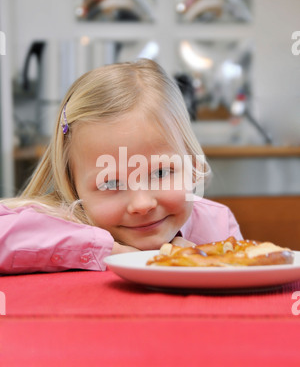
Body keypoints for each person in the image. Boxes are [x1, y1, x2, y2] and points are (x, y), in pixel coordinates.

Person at [0, 59, 242, 275]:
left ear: (191, 167)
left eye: (160, 173)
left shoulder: (217, 224)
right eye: (111, 183)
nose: (142, 204)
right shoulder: (65, 220)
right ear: (73, 186)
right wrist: (106, 250)